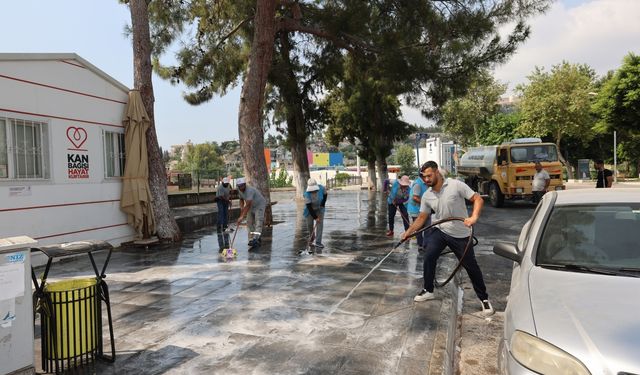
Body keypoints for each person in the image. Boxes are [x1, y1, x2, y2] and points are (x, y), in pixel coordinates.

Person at [402, 161, 494, 316]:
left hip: (461, 233)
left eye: (429, 175)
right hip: (440, 230)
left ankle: (484, 299)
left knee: (471, 266)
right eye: (424, 177)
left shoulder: (456, 185)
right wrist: (409, 232)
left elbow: (478, 199)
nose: (426, 180)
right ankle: (428, 289)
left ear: (437, 172)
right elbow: (422, 217)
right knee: (429, 255)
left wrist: (473, 217)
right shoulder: (427, 195)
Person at [236, 177, 267, 247]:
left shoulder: (249, 190)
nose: (241, 187)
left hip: (259, 205)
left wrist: (241, 217)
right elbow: (241, 199)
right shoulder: (238, 189)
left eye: (242, 185)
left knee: (258, 221)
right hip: (251, 205)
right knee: (249, 222)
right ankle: (252, 238)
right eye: (239, 186)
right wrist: (241, 208)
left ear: (245, 184)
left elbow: (248, 205)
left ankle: (256, 239)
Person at [303, 178, 328, 248]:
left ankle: (318, 242)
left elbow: (325, 195)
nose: (314, 191)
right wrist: (315, 217)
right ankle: (312, 236)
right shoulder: (306, 194)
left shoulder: (322, 188)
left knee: (320, 225)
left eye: (315, 189)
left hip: (320, 209)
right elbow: (309, 207)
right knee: (310, 225)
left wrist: (322, 204)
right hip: (310, 211)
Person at [407, 175, 428, 250]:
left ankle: (425, 243)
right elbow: (415, 197)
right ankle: (420, 244)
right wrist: (426, 203)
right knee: (418, 228)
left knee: (426, 227)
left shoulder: (424, 183)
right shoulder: (418, 184)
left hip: (423, 209)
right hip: (416, 209)